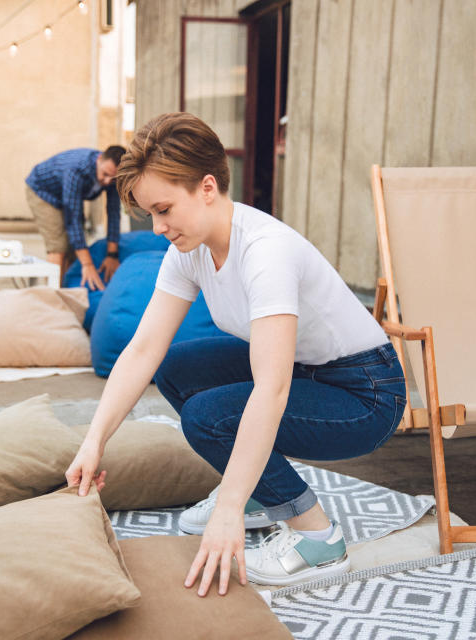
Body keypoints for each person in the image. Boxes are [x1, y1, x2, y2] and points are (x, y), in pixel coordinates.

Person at [64, 113, 406, 596]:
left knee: (209, 418)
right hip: (307, 372)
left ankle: (317, 539)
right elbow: (143, 348)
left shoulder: (265, 251)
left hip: (364, 394)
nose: (158, 228)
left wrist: (224, 510)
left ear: (207, 187)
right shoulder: (190, 249)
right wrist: (94, 440)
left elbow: (272, 387)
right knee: (178, 368)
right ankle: (259, 498)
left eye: (164, 209)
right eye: (150, 215)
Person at [25, 145, 126, 290]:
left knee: (73, 249)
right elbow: (73, 219)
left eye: (113, 178)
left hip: (67, 197)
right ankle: (52, 297)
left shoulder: (112, 177)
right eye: (105, 174)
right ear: (99, 159)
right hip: (43, 192)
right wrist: (87, 264)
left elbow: (113, 213)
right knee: (59, 246)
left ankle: (66, 292)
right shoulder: (77, 169)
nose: (107, 181)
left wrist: (112, 255)